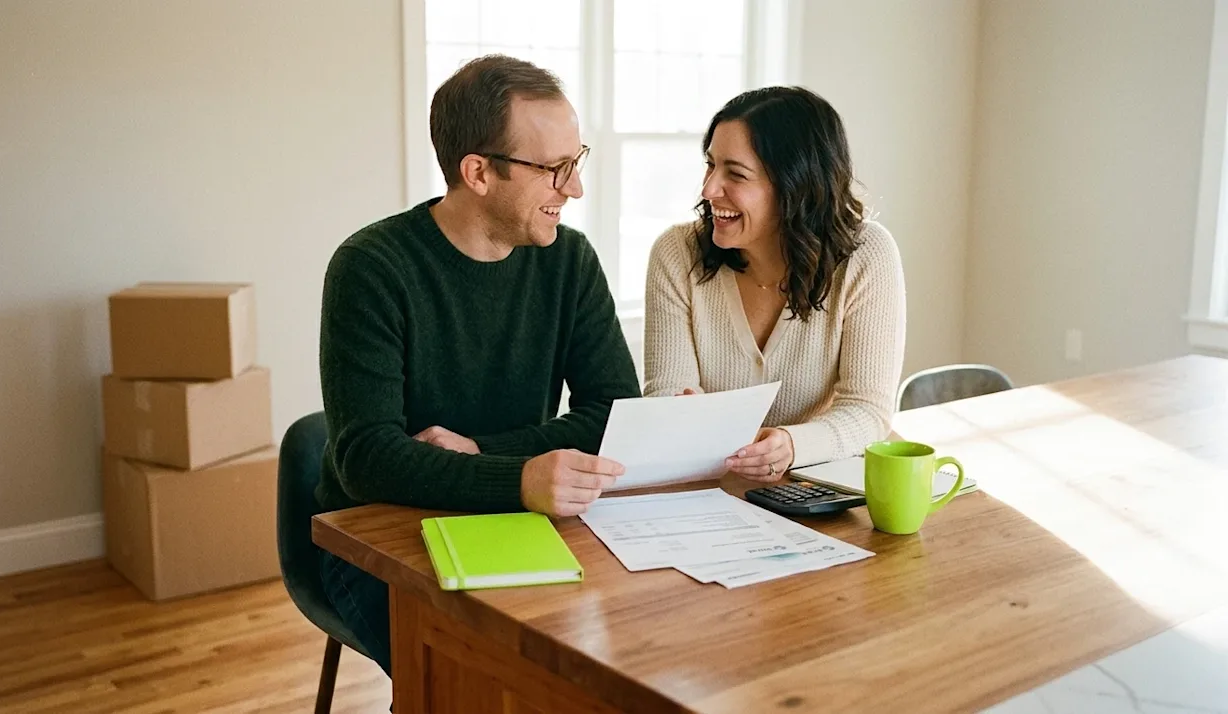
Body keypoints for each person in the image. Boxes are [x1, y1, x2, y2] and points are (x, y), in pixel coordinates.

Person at [316, 55, 640, 675]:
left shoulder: (568, 259)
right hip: (381, 532)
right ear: (478, 172)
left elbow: (614, 411)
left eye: (577, 162)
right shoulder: (371, 267)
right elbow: (365, 458)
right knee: (469, 673)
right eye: (553, 169)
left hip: (524, 519)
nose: (574, 189)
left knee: (590, 662)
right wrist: (518, 478)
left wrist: (486, 453)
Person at [644, 86, 906, 481]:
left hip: (815, 488)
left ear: (795, 186)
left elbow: (868, 411)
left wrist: (793, 445)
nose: (709, 190)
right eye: (711, 165)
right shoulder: (676, 253)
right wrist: (680, 414)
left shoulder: (866, 255)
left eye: (736, 174)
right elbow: (667, 393)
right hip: (705, 490)